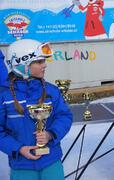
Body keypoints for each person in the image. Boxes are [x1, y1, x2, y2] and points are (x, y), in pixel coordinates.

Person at [0, 39, 73, 180]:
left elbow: (64, 116)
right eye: (39, 62)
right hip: (22, 166)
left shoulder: (51, 91)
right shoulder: (4, 96)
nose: (44, 65)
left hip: (51, 162)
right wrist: (18, 149)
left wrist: (50, 134)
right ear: (23, 65)